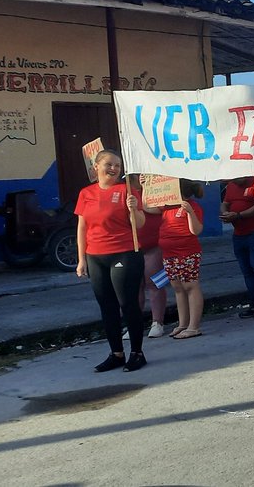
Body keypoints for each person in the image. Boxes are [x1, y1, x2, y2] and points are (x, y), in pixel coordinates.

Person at [74, 149, 147, 372]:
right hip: (95, 256)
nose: (114, 169)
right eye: (109, 164)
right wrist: (81, 259)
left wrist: (134, 209)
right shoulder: (86, 193)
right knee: (107, 306)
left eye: (117, 165)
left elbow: (140, 224)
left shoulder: (127, 191)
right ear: (96, 167)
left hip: (124, 252)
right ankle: (116, 353)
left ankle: (137, 353)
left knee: (127, 303)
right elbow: (82, 227)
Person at [222, 177, 254, 320]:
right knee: (246, 271)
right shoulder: (231, 184)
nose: (236, 180)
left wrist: (239, 215)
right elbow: (225, 203)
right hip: (239, 234)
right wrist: (225, 212)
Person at [161, 182, 205, 339]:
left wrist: (190, 212)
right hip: (169, 253)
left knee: (190, 285)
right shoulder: (166, 207)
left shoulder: (192, 206)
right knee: (177, 287)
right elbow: (147, 207)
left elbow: (196, 230)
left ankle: (194, 326)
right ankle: (183, 323)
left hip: (187, 253)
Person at [133, 180, 167, 338]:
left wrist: (146, 188)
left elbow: (153, 209)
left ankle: (157, 322)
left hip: (154, 245)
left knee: (155, 283)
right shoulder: (124, 191)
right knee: (134, 287)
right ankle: (134, 324)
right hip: (132, 247)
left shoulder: (157, 191)